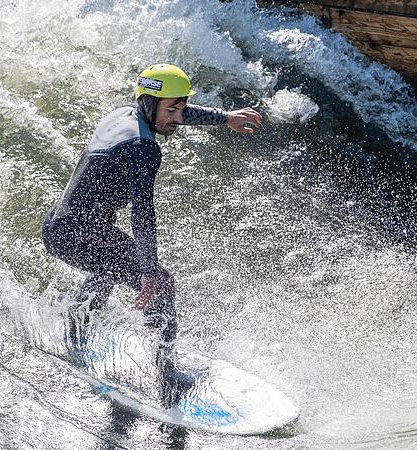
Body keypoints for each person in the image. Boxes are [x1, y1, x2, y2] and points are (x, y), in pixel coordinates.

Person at [41, 63, 261, 385]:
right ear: (150, 103)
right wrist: (148, 272)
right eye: (172, 110)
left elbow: (180, 110)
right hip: (78, 232)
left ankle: (76, 328)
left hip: (60, 226)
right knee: (162, 285)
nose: (178, 117)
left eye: (181, 108)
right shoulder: (144, 147)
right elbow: (143, 215)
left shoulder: (125, 112)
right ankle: (167, 373)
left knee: (107, 266)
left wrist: (224, 118)